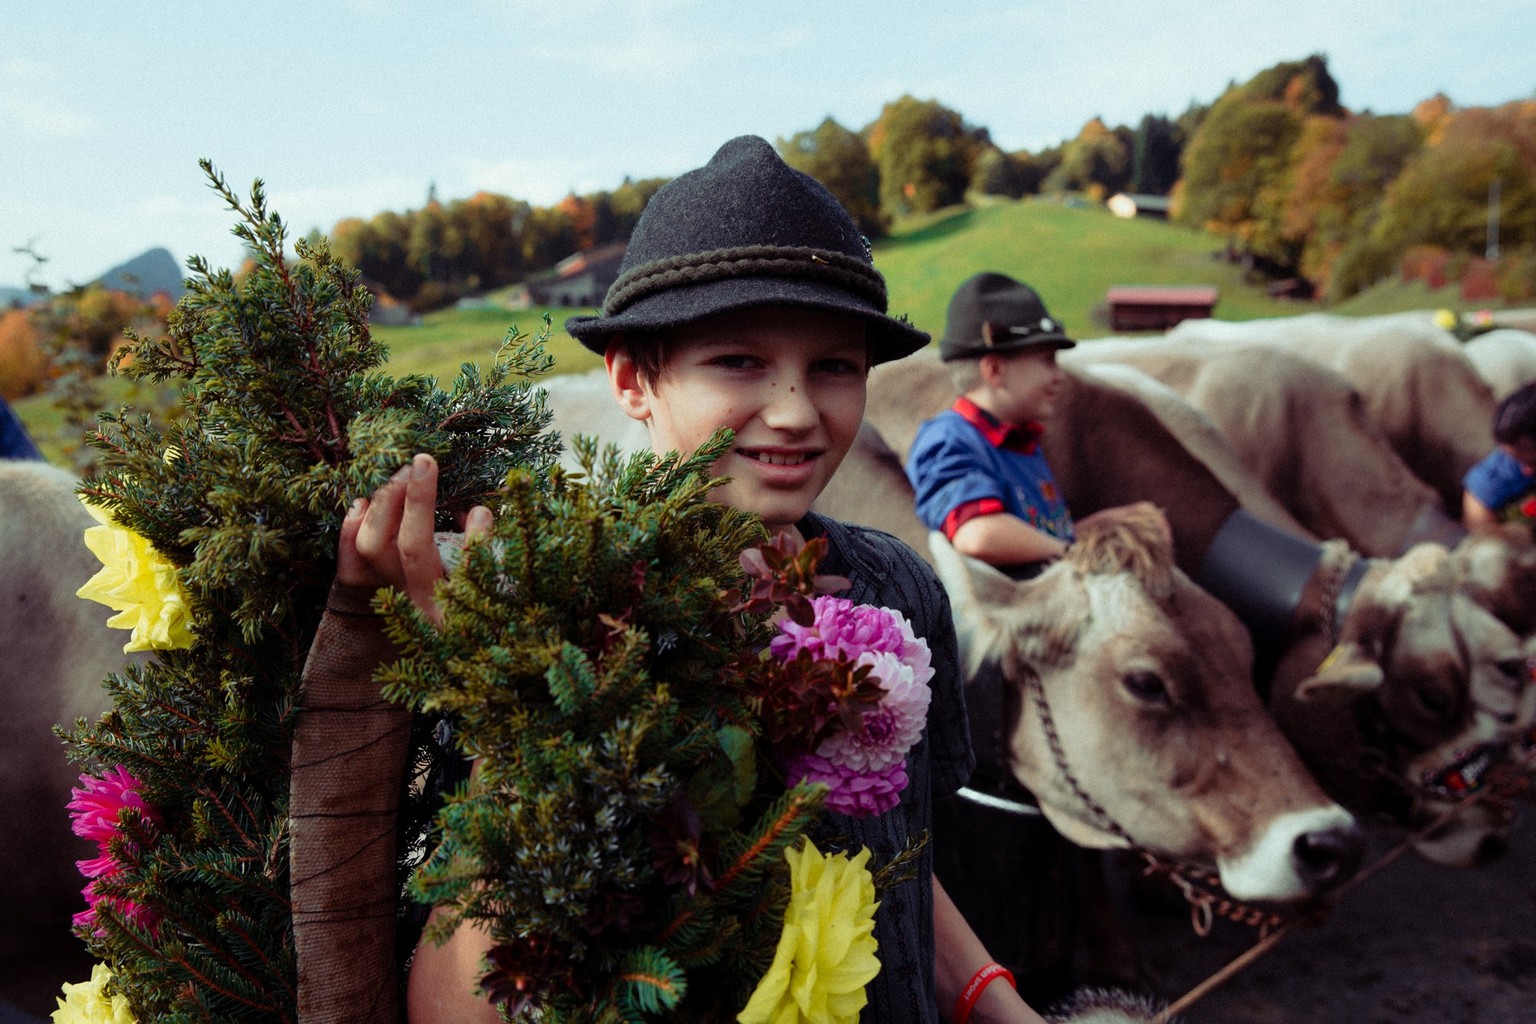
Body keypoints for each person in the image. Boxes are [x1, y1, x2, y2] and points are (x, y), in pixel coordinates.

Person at [301, 136, 1053, 1024]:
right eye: (738, 361)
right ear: (632, 379)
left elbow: (898, 856)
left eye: (834, 367)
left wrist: (1000, 1004)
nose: (796, 411)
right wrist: (508, 710)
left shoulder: (899, 587)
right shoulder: (556, 619)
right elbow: (459, 1005)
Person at [905, 272, 1079, 575]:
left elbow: (1041, 532)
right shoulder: (949, 439)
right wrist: (1073, 555)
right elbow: (977, 534)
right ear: (996, 371)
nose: (1058, 375)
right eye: (1048, 360)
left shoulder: (1021, 441)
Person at [1463, 380, 1536, 528]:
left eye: (1533, 462)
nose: (1526, 470)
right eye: (1518, 460)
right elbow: (1477, 514)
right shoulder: (1500, 469)